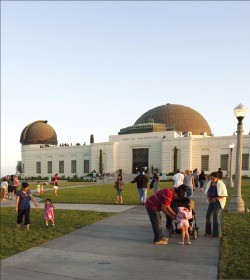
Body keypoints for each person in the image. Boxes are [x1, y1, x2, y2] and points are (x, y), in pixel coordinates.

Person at [204, 172, 228, 238]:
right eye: (211, 178)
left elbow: (224, 194)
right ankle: (208, 232)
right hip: (211, 200)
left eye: (213, 179)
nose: (212, 180)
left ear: (217, 178)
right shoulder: (210, 183)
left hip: (218, 201)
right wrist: (208, 197)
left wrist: (216, 198)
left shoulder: (221, 184)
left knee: (215, 216)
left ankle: (216, 234)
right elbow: (207, 192)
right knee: (208, 215)